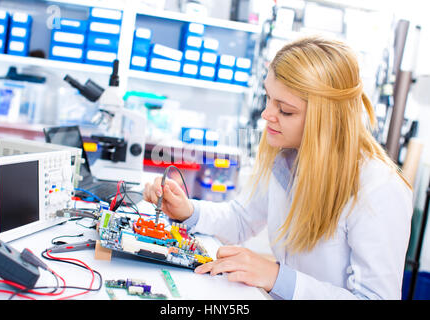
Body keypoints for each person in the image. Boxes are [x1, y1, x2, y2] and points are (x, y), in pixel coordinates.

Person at [143, 35, 413, 300]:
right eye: (268, 98)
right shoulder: (288, 158)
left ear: (326, 120)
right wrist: (188, 210)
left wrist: (276, 277)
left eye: (285, 110)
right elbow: (242, 218)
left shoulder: (379, 189)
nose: (266, 114)